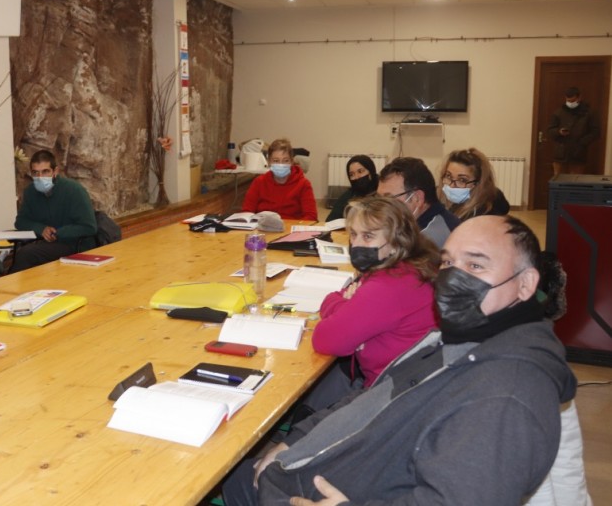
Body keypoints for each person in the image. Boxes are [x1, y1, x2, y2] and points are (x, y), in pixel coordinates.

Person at [222, 215, 577, 506]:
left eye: (476, 265)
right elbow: (371, 395)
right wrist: (291, 442)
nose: (454, 277)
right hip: (305, 468)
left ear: (526, 284)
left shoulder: (505, 396)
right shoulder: (459, 335)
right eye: (449, 263)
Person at [302, 195, 439, 411]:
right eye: (354, 235)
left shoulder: (389, 286)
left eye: (368, 236)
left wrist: (342, 304)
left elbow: (325, 339)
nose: (356, 244)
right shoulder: (407, 266)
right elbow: (345, 299)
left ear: (396, 242)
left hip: (390, 398)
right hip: (411, 384)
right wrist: (349, 305)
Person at [12, 149, 97, 272]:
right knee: (26, 253)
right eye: (36, 173)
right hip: (43, 243)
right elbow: (20, 221)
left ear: (55, 171)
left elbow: (89, 227)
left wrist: (57, 233)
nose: (40, 177)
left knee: (27, 254)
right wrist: (41, 229)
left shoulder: (74, 190)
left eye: (45, 172)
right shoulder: (30, 192)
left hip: (74, 244)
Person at [377, 156, 460, 248]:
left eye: (389, 198)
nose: (380, 206)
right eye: (379, 198)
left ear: (417, 198)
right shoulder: (414, 225)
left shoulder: (428, 239)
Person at [241, 138, 317, 221]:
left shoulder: (303, 184)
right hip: (263, 228)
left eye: (285, 160)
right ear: (269, 162)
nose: (281, 164)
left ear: (291, 162)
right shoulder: (259, 182)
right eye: (276, 161)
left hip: (292, 229)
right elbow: (247, 212)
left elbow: (311, 216)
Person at [438, 147, 510, 220]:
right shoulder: (437, 198)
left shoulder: (481, 216)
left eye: (462, 180)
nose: (452, 185)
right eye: (448, 176)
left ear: (478, 183)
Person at [547, 86, 601, 175]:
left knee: (575, 183)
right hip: (560, 154)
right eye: (568, 101)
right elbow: (550, 130)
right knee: (557, 183)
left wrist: (582, 142)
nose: (570, 103)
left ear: (579, 98)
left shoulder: (589, 113)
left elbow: (596, 132)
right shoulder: (559, 112)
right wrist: (559, 132)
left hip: (578, 154)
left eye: (572, 101)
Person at [326, 155, 378, 221]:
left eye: (360, 171)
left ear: (371, 171)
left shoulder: (382, 191)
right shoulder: (348, 195)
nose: (356, 177)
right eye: (352, 174)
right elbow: (330, 222)